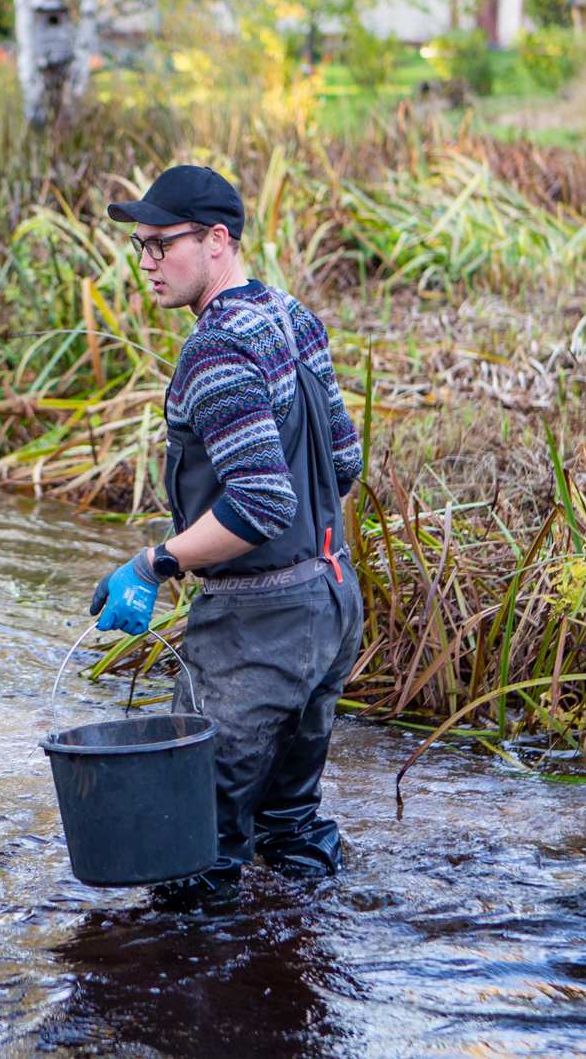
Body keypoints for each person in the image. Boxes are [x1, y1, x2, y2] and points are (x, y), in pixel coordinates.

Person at [93, 165, 364, 898]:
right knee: (291, 826)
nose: (146, 262)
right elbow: (344, 463)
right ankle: (304, 975)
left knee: (195, 851)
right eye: (139, 246)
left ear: (218, 240)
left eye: (161, 243)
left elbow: (260, 506)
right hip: (333, 607)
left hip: (258, 629)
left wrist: (154, 562)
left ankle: (197, 1005)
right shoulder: (292, 315)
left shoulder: (213, 350)